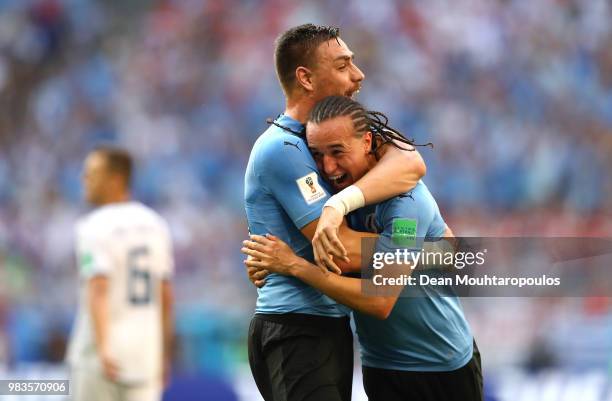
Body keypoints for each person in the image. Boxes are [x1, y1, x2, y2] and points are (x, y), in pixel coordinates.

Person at [244, 96, 483, 401]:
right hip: (380, 365)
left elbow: (380, 300)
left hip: (442, 366)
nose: (328, 166)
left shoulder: (406, 203)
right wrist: (265, 260)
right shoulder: (336, 193)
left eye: (337, 152)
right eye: (317, 155)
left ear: (368, 142)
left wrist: (294, 266)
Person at [244, 24, 427, 401]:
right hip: (296, 326)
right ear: (305, 78)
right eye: (343, 66)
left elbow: (412, 163)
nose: (358, 76)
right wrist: (427, 253)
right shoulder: (284, 149)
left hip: (325, 324)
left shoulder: (330, 137)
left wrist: (338, 204)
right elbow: (339, 251)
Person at [67, 146, 174, 401]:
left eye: (92, 173)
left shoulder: (93, 226)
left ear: (115, 179)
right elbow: (166, 295)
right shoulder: (155, 224)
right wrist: (164, 353)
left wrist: (103, 348)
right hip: (145, 357)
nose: (84, 180)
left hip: (98, 360)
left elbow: (99, 288)